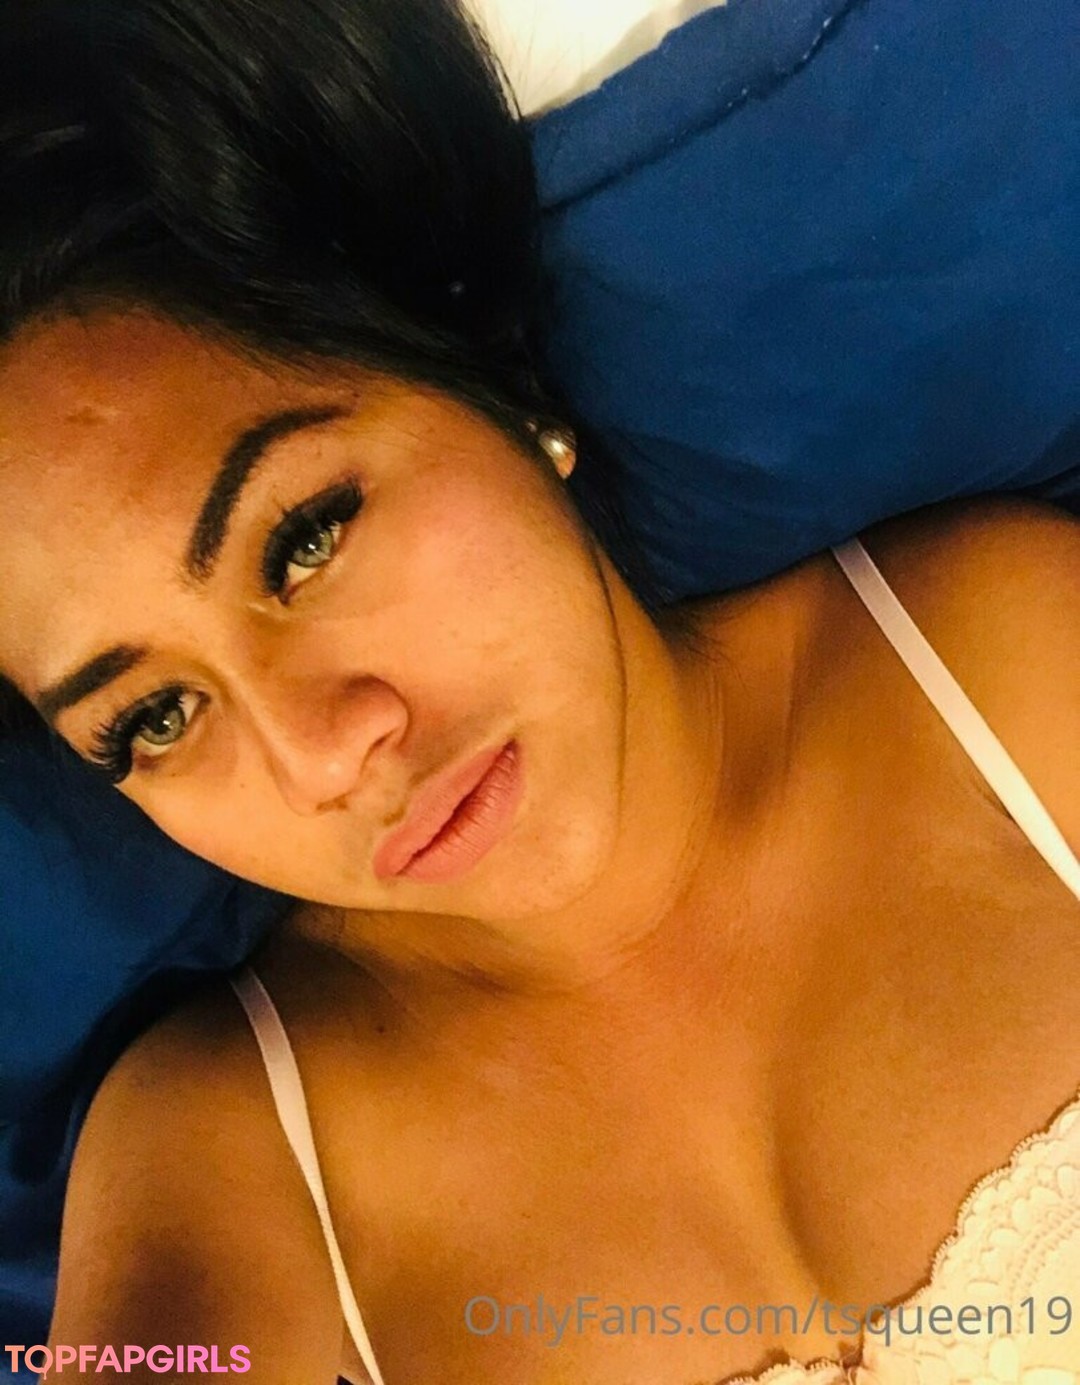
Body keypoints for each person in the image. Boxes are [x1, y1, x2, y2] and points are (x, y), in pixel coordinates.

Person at [0, 2, 1076, 1383]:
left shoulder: (1008, 668)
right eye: (154, 719)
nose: (325, 755)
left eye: (305, 538)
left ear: (499, 384)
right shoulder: (225, 1154)